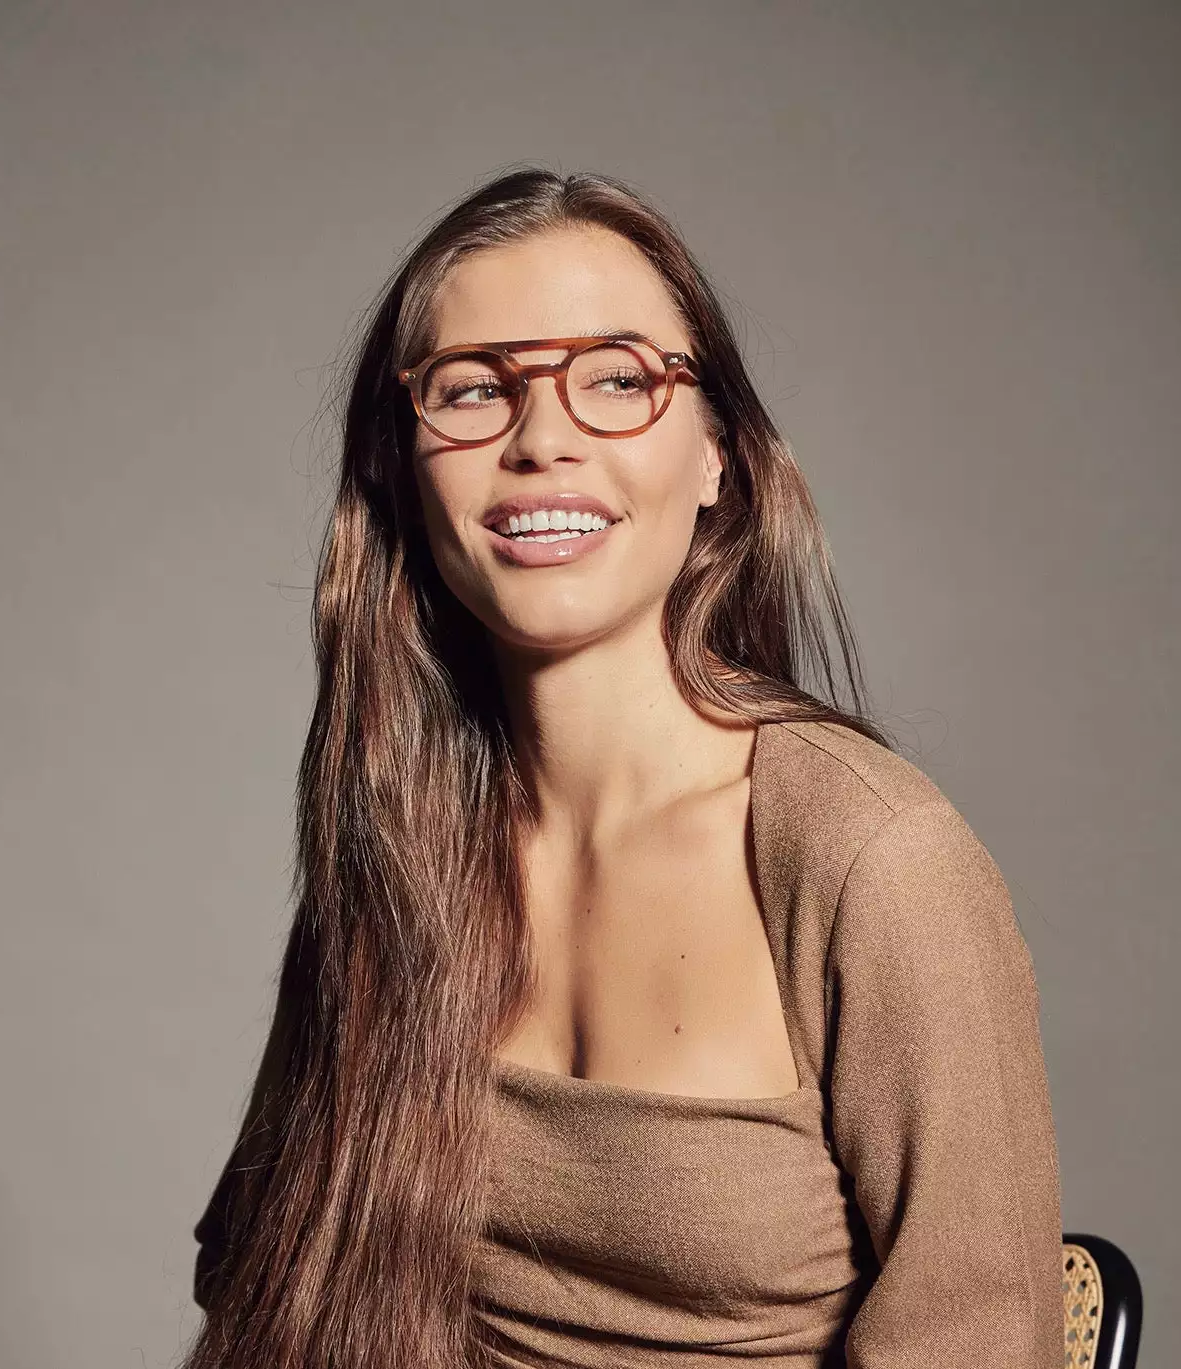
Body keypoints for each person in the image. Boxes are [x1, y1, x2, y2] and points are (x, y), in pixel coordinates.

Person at [184, 167, 1064, 1369]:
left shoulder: (876, 861)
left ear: (716, 457)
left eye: (615, 378)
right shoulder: (393, 843)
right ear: (401, 466)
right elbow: (260, 1285)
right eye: (473, 389)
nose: (542, 439)